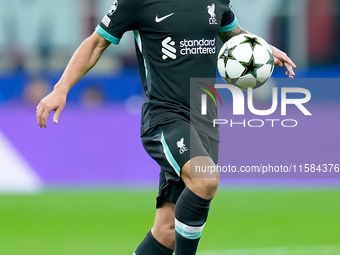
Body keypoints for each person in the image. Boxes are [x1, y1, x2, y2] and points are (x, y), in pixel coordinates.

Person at [36, 1, 296, 254]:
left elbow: (233, 34)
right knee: (205, 179)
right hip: (165, 116)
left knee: (167, 232)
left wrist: (259, 48)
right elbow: (96, 43)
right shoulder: (136, 2)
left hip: (205, 117)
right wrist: (62, 88)